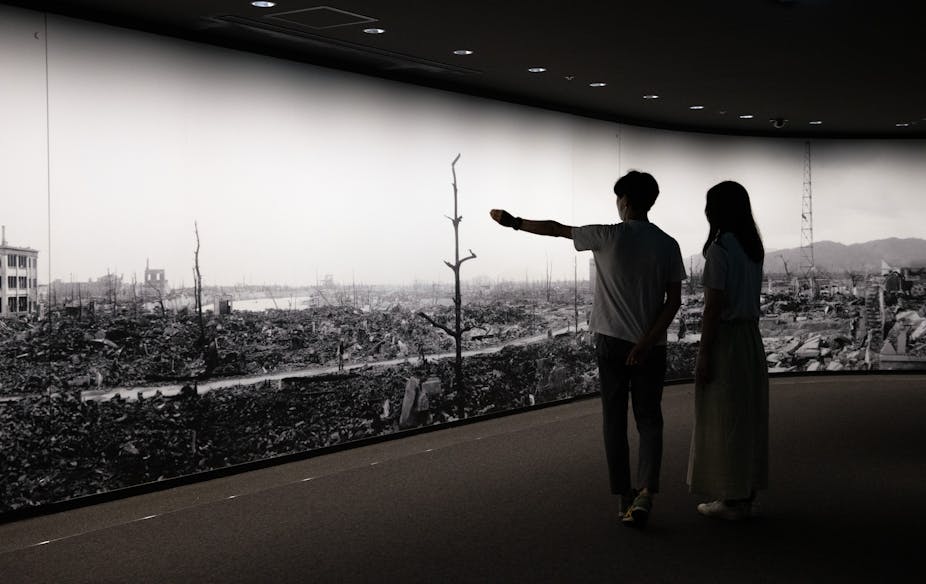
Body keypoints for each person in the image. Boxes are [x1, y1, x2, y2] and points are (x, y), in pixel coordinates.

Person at [490, 170, 686, 528]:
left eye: (617, 198)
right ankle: (645, 492)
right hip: (651, 346)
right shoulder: (668, 245)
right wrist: (645, 342)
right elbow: (673, 302)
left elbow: (556, 228)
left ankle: (623, 496)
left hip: (611, 342)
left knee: (614, 419)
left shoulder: (607, 235)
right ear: (651, 201)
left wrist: (514, 222)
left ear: (625, 202)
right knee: (649, 419)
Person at [688, 180, 769, 520]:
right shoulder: (753, 248)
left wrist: (704, 355)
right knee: (747, 417)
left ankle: (731, 498)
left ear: (717, 210)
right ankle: (744, 492)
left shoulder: (719, 251)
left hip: (728, 341)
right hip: (751, 339)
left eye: (709, 205)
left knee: (724, 419)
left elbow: (712, 309)